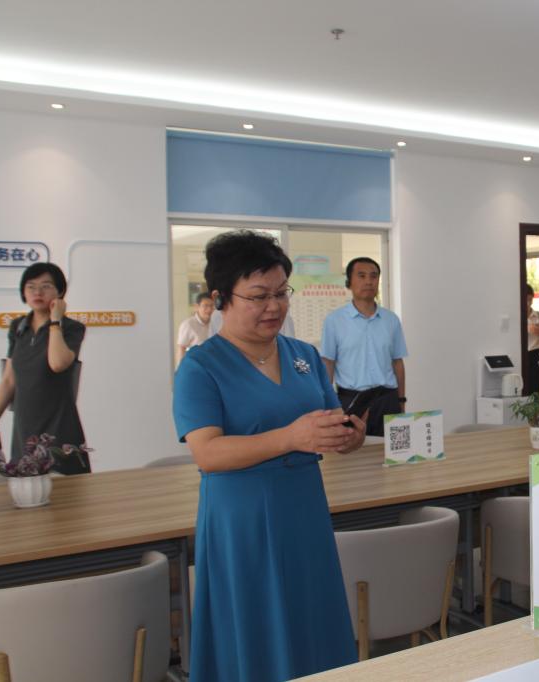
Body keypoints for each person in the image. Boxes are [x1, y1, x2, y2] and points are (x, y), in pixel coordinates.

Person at [173, 230, 363, 680]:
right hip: (242, 520)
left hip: (304, 509)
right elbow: (208, 453)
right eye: (258, 296)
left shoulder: (303, 355)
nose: (274, 306)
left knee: (310, 619)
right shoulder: (200, 367)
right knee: (254, 629)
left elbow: (328, 421)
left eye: (281, 293)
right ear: (221, 299)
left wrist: (347, 436)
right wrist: (291, 437)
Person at [0, 262, 90, 474]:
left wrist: (55, 321)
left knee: (66, 489)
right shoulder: (18, 327)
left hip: (59, 425)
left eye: (46, 286)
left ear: (60, 292)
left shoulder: (72, 328)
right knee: (25, 486)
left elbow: (57, 363)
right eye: (31, 286)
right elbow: (9, 381)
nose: (37, 292)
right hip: (24, 426)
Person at [321, 257, 408, 437]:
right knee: (350, 450)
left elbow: (397, 363)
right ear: (349, 282)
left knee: (390, 451)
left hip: (387, 400)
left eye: (373, 276)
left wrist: (401, 401)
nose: (368, 281)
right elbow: (328, 363)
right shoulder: (334, 320)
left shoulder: (391, 320)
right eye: (361, 276)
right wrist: (328, 405)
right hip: (350, 400)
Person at [175, 291, 214, 366]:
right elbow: (181, 349)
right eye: (205, 306)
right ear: (197, 307)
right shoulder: (188, 324)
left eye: (212, 306)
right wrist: (180, 370)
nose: (209, 309)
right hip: (195, 366)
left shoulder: (215, 324)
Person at [524, 284, 539, 395]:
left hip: (536, 355)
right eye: (526, 299)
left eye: (530, 299)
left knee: (536, 386)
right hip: (522, 355)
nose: (528, 303)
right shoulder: (516, 316)